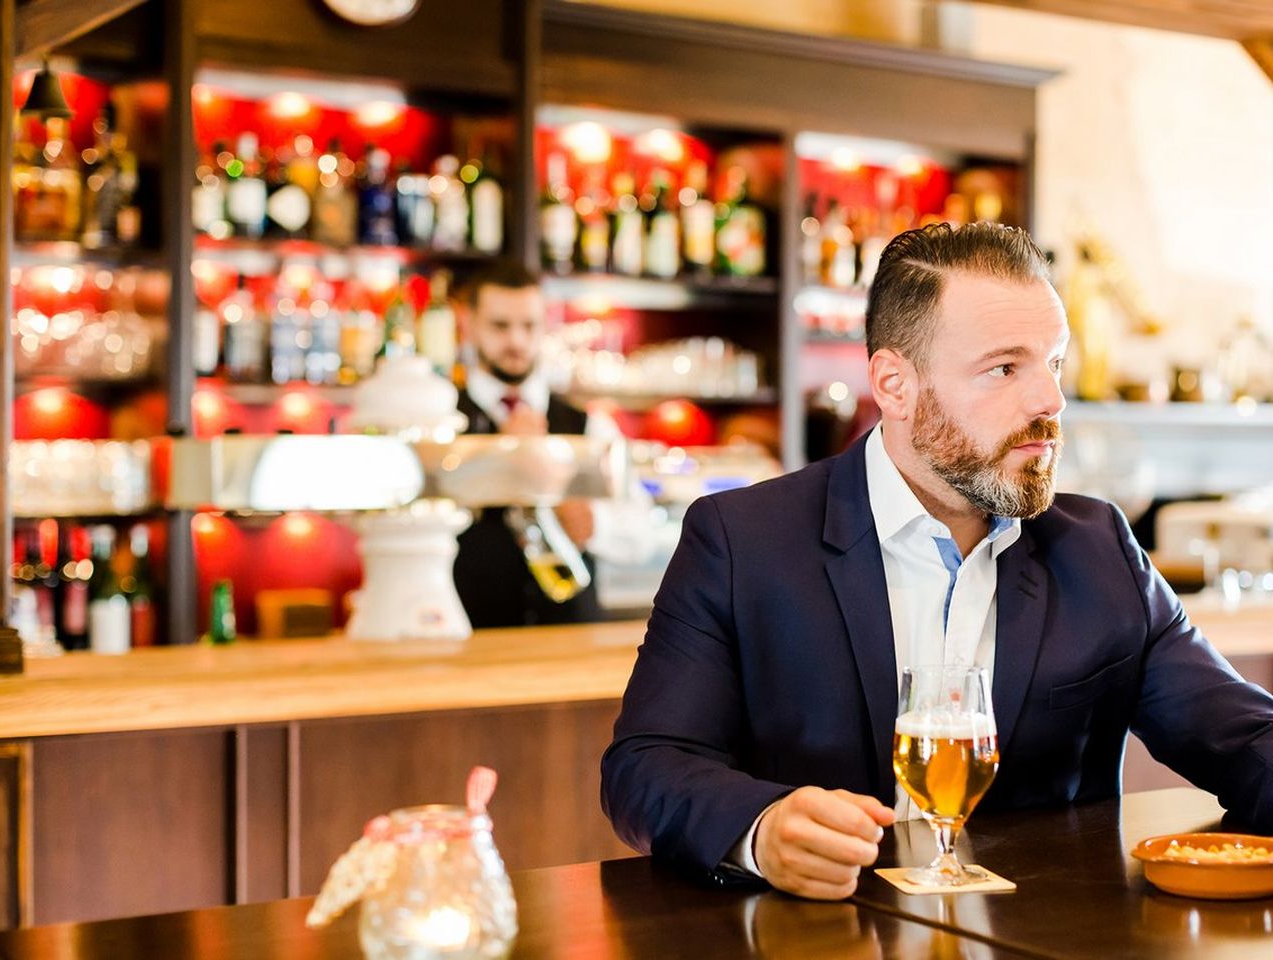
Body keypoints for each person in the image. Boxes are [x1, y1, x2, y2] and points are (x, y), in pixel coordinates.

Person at [601, 222, 1273, 900]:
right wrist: (761, 829)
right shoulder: (743, 541)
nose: (1050, 400)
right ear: (896, 386)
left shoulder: (1099, 548)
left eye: (1055, 363)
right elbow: (647, 766)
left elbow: (1246, 740)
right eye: (1005, 368)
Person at [452, 259, 643, 628]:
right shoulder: (442, 420)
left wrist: (588, 520)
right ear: (467, 322)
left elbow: (641, 534)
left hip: (571, 640)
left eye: (529, 326)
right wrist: (501, 459)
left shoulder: (589, 425)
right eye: (500, 326)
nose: (516, 341)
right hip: (469, 642)